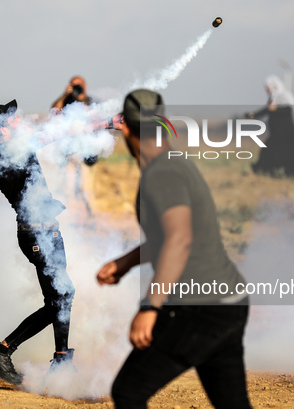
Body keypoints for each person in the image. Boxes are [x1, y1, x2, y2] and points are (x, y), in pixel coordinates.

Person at [96, 90, 253, 408]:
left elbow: (180, 240)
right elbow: (170, 238)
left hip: (199, 309)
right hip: (228, 303)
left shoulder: (162, 173)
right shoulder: (171, 164)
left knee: (129, 392)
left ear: (125, 127)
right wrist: (126, 262)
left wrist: (150, 307)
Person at [0, 99, 121, 385]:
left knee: (60, 297)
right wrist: (107, 123)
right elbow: (56, 133)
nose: (18, 121)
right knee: (61, 296)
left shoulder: (13, 147)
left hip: (48, 231)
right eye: (11, 119)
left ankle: (60, 358)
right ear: (1, 128)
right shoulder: (5, 154)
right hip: (35, 235)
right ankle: (5, 351)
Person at [245, 75, 294, 177]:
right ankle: (267, 172)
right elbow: (267, 110)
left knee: (286, 151)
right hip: (276, 132)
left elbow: (287, 109)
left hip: (285, 132)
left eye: (267, 87)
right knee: (272, 152)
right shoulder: (273, 98)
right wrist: (253, 115)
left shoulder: (284, 96)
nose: (266, 90)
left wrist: (276, 110)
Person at [51, 75, 97, 214]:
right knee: (68, 188)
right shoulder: (65, 100)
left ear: (85, 86)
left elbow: (95, 118)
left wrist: (82, 98)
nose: (77, 88)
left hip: (86, 154)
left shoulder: (90, 101)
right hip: (69, 153)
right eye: (74, 85)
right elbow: (54, 112)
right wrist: (65, 94)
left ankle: (92, 218)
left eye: (79, 85)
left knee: (87, 188)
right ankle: (71, 218)